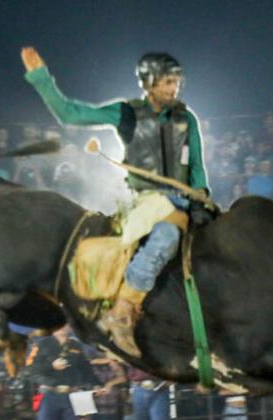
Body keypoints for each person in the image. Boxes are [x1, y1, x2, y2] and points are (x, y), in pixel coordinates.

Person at [22, 46, 211, 357]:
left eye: (176, 82)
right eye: (167, 82)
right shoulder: (127, 113)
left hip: (186, 202)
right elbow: (70, 113)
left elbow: (197, 165)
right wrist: (41, 78)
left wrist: (201, 196)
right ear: (149, 83)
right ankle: (123, 310)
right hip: (148, 202)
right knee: (166, 235)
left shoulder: (186, 118)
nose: (174, 88)